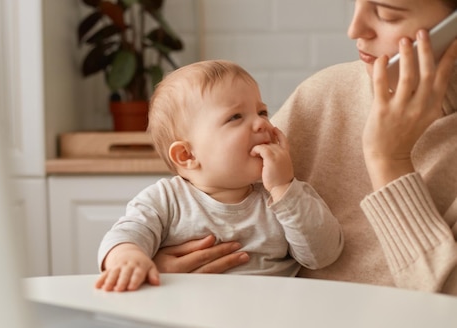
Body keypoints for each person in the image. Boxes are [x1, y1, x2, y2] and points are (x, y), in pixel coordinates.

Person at [152, 0, 457, 295]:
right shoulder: (323, 95)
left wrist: (388, 159)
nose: (355, 29)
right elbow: (214, 205)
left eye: (387, 14)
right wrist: (162, 265)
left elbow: (446, 305)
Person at [95, 60, 344, 292]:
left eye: (262, 112)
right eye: (236, 117)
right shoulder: (165, 200)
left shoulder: (284, 196)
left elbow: (322, 256)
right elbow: (125, 235)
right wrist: (129, 258)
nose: (261, 124)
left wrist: (283, 187)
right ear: (186, 155)